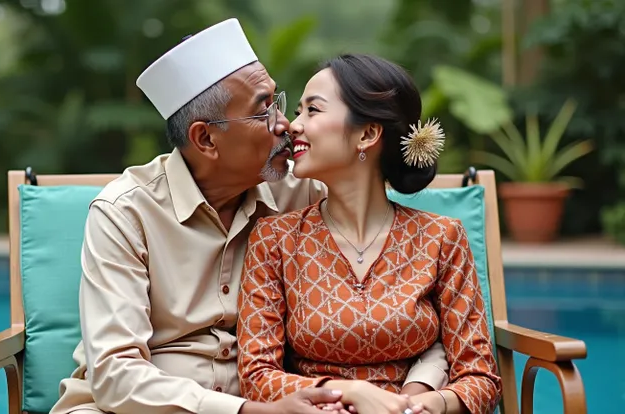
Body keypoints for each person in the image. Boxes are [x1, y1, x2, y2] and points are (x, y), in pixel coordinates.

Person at [50, 19, 448, 414]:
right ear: (206, 139)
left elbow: (408, 307)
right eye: (263, 111)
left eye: (279, 101)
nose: (285, 125)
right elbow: (115, 376)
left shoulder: (304, 191)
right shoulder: (124, 213)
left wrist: (412, 392)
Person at [236, 54, 502, 414]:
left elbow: (481, 377)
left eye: (312, 111)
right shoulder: (275, 239)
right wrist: (348, 393)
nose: (293, 126)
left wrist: (430, 404)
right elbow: (256, 375)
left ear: (367, 134)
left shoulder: (442, 237)